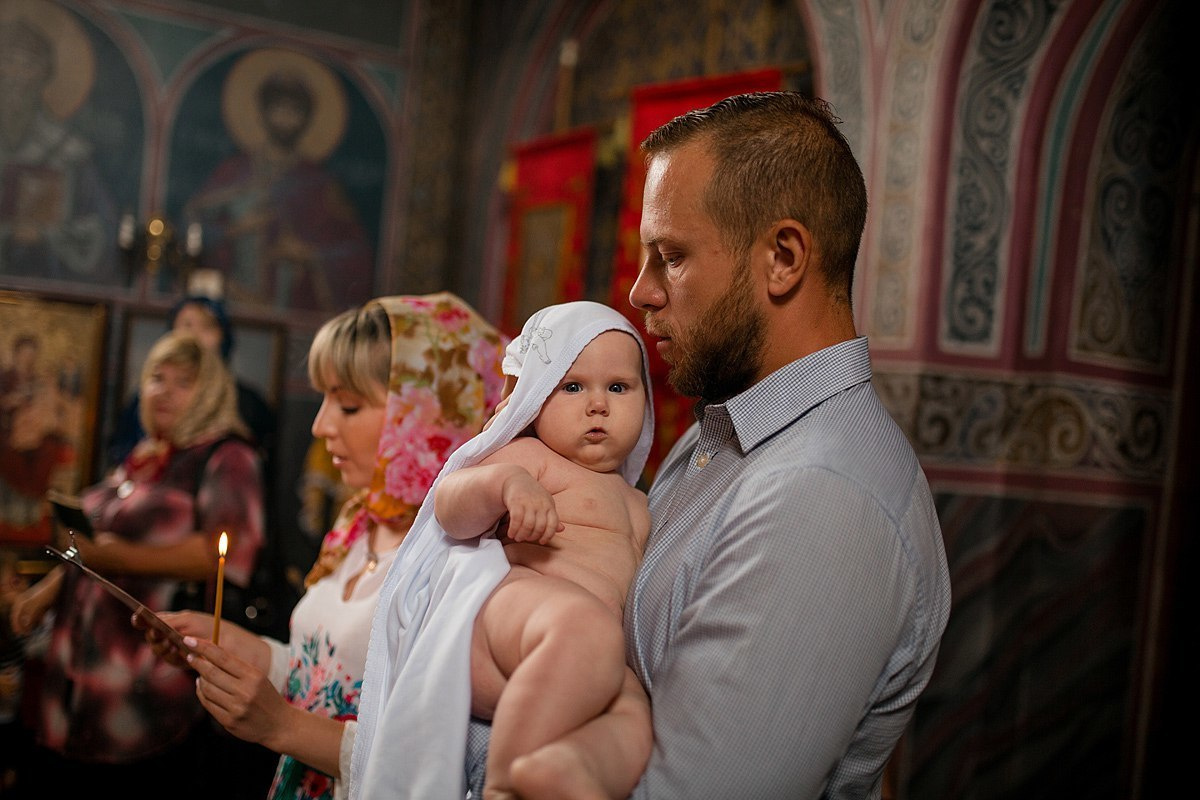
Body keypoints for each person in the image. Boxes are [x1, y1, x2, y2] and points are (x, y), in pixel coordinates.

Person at [474, 91, 953, 798]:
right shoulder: (722, 432)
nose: (639, 293)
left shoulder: (821, 499)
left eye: (670, 257)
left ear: (783, 259)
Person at [137, 293, 507, 800]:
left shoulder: (465, 553)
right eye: (324, 399)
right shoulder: (360, 520)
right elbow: (326, 674)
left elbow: (442, 762)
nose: (320, 425)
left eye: (348, 405)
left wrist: (280, 727)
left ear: (425, 414)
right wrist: (228, 644)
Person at [348, 301, 654, 800]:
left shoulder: (641, 503)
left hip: (574, 665)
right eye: (572, 386)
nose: (598, 405)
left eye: (618, 387)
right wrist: (505, 486)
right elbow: (448, 503)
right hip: (505, 628)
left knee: (634, 712)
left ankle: (572, 771)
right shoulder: (532, 458)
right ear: (533, 397)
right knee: (587, 629)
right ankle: (506, 783)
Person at [7, 330, 265, 800]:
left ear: (209, 390)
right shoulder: (144, 457)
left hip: (147, 684)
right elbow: (90, 546)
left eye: (181, 382)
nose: (162, 390)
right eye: (155, 378)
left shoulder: (227, 456)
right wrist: (44, 592)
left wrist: (114, 555)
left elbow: (225, 555)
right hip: (73, 682)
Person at [107, 291, 277, 470]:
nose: (194, 334)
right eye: (187, 325)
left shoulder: (246, 409)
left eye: (206, 327)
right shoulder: (144, 398)